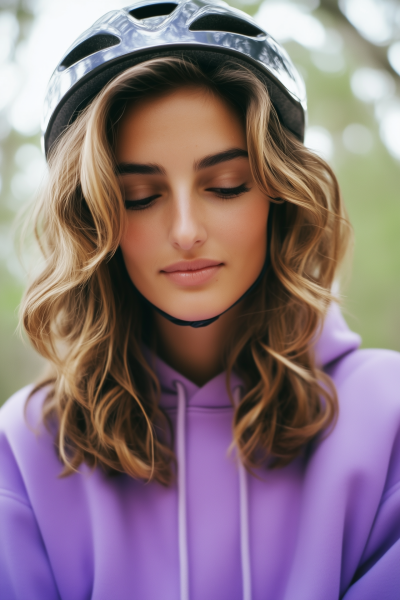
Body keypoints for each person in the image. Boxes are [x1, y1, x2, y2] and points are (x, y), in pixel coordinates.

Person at [0, 1, 399, 599]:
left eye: (225, 186)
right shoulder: (25, 451)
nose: (185, 229)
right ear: (94, 220)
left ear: (279, 195)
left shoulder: (389, 418)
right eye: (138, 195)